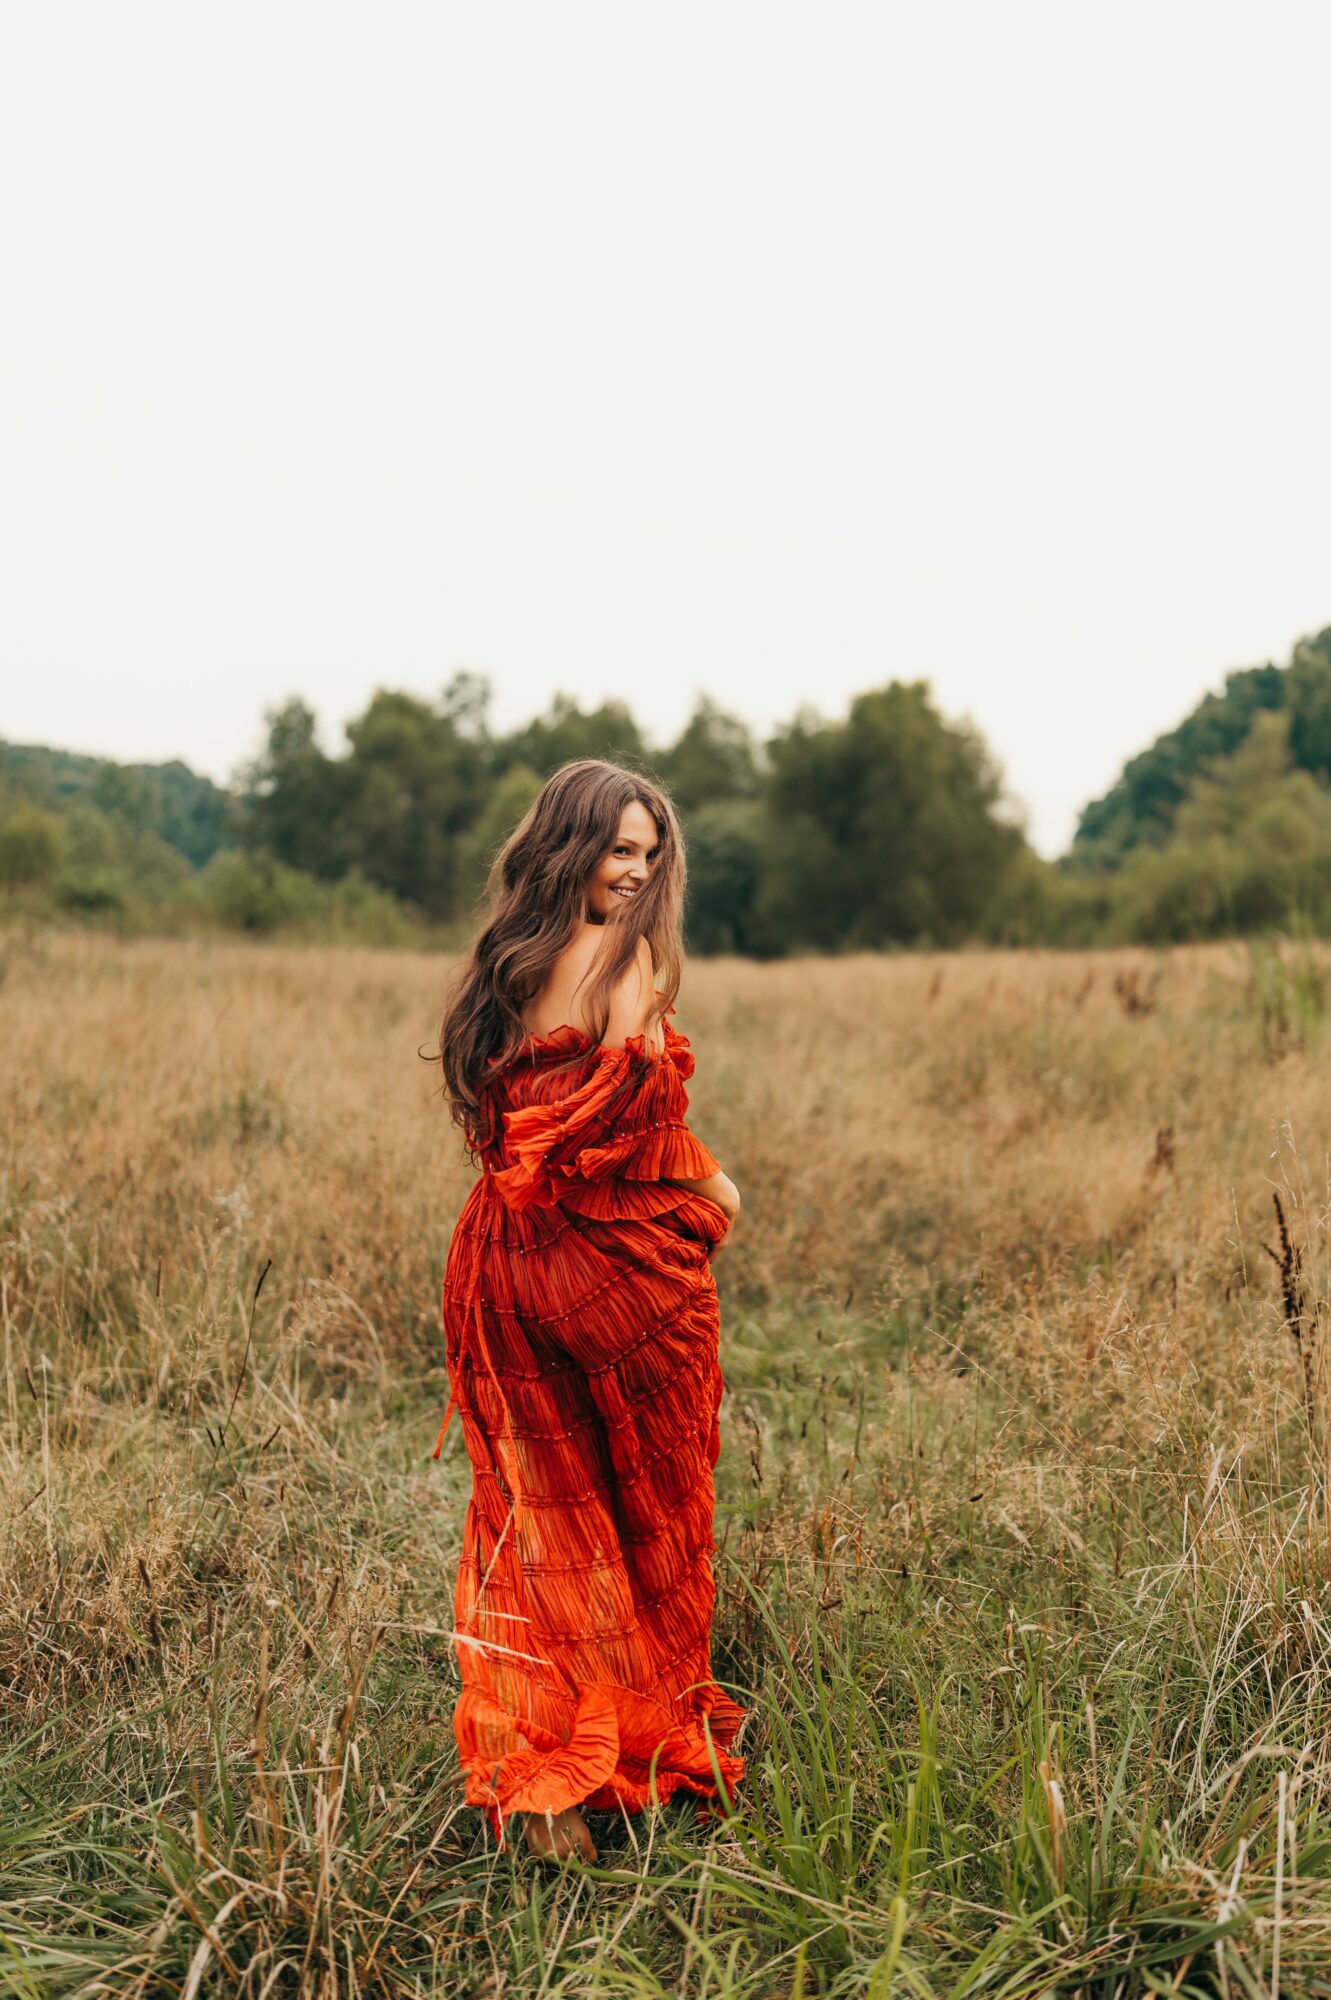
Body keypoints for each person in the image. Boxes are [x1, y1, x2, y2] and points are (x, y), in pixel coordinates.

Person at [433, 758, 747, 1863]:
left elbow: (512, 1126)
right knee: (642, 1508)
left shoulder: (501, 962)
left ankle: (541, 1780)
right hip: (601, 1276)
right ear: (569, 845)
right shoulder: (627, 959)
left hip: (496, 1267)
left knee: (532, 1520)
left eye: (650, 853)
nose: (636, 872)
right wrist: (721, 1193)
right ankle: (625, 1744)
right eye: (618, 848)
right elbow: (634, 1134)